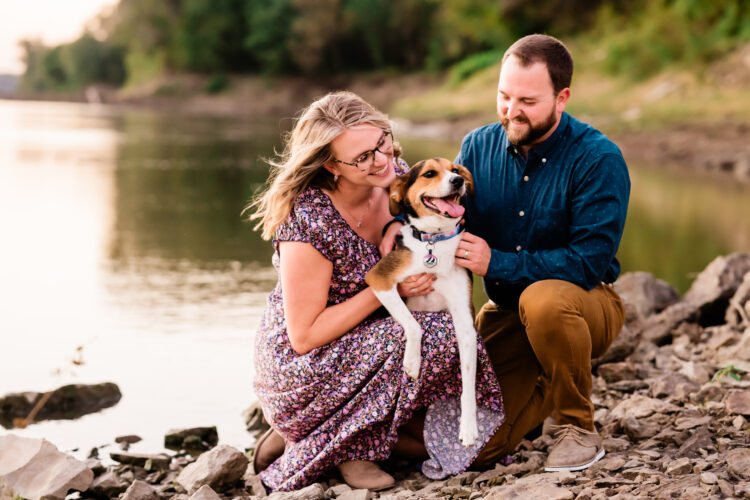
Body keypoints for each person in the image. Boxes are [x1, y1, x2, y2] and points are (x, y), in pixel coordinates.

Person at [381, 34, 630, 472]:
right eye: (504, 96)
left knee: (545, 300)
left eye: (528, 101)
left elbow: (589, 261)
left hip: (584, 304)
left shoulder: (598, 158)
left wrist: (498, 262)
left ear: (562, 98)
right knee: (477, 449)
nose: (511, 110)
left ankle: (576, 425)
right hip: (510, 312)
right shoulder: (477, 147)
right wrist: (396, 237)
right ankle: (540, 399)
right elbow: (442, 215)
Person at [247, 91, 505, 492]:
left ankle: (324, 432)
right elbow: (304, 336)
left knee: (456, 431)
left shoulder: (394, 177)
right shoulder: (309, 219)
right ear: (332, 164)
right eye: (363, 157)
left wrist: (391, 228)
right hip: (306, 364)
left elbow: (421, 227)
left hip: (375, 345)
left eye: (382, 142)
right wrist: (390, 287)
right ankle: (336, 444)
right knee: (434, 334)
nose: (383, 159)